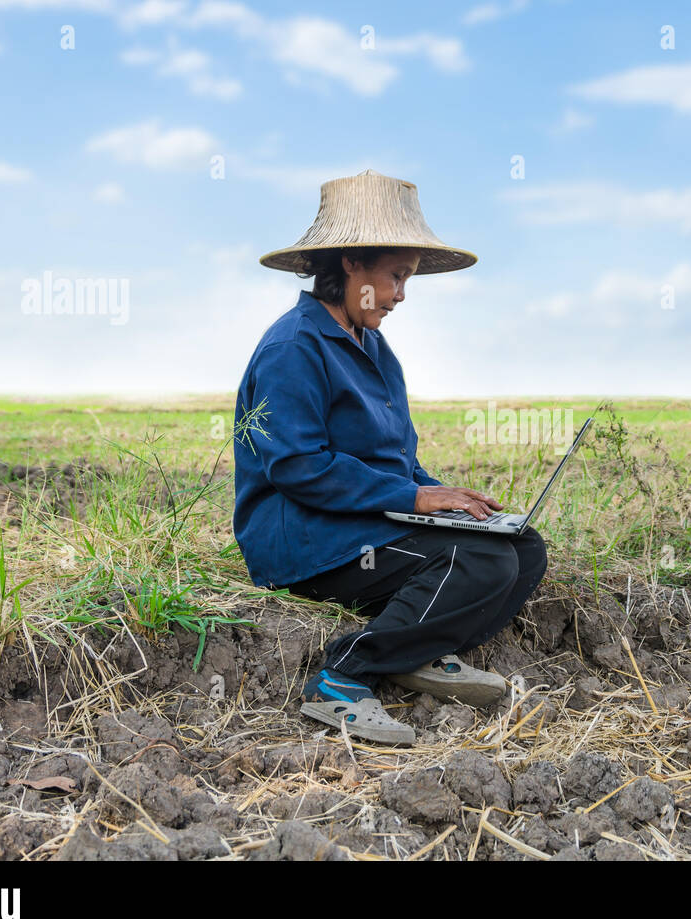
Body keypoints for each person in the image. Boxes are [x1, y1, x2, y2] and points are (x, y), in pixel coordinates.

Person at [233, 170, 548, 745]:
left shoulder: (374, 346)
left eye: (409, 278)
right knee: (483, 563)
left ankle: (417, 651)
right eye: (397, 274)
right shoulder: (294, 348)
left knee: (523, 550)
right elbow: (298, 466)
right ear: (351, 263)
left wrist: (442, 496)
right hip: (306, 539)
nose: (403, 293)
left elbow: (393, 459)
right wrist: (415, 498)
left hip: (362, 524)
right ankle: (344, 676)